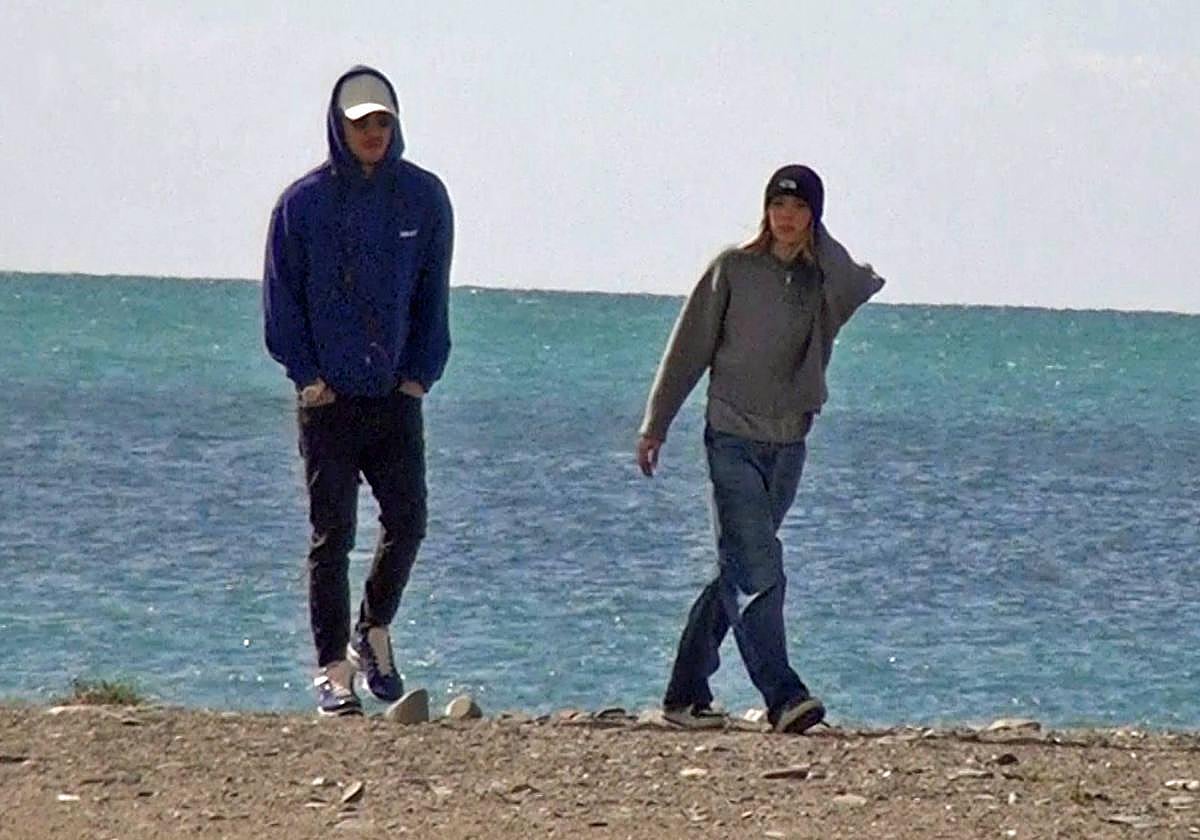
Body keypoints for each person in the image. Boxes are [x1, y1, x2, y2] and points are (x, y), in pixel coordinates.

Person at [637, 164, 884, 733]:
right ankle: (783, 696)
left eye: (799, 208)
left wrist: (819, 241)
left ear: (815, 217)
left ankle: (684, 695)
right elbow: (687, 348)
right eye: (778, 204)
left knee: (740, 568)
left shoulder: (823, 284)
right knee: (761, 568)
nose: (786, 217)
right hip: (731, 439)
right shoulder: (734, 269)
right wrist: (657, 424)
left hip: (789, 444)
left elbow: (858, 283)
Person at [263, 66, 453, 716]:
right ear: (338, 128)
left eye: (382, 121)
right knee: (333, 537)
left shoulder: (424, 199)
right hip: (328, 402)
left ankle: (372, 630)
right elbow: (282, 301)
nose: (373, 132)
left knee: (409, 521)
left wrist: (420, 375)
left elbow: (431, 296)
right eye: (360, 123)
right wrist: (307, 376)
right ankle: (332, 672)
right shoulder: (302, 205)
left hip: (394, 396)